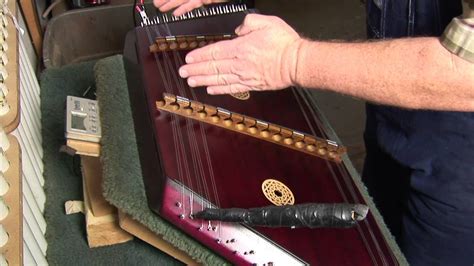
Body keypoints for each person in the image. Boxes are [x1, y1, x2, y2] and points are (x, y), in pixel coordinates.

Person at [154, 0, 474, 265]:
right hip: (394, 125)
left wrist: (290, 60)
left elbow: (464, 73)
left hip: (461, 170)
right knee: (370, 248)